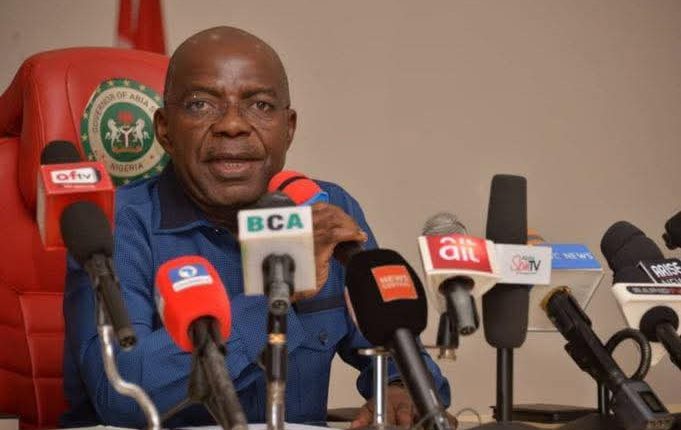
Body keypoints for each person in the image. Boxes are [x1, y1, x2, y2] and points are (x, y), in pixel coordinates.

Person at [61, 26, 451, 428]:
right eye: (200, 105)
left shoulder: (322, 210)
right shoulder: (115, 225)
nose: (232, 125)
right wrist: (277, 293)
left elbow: (393, 345)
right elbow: (123, 394)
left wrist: (401, 388)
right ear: (164, 130)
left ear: (289, 129)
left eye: (260, 105)